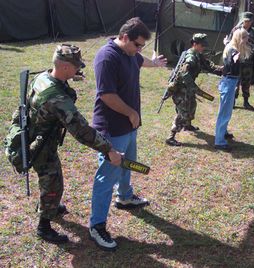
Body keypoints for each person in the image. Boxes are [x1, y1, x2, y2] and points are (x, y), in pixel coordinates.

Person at [11, 44, 122, 244]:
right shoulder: (57, 98)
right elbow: (82, 131)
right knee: (53, 182)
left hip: (35, 135)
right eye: (75, 66)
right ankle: (44, 226)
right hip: (41, 146)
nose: (79, 69)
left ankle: (50, 205)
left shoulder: (43, 77)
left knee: (50, 179)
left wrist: (70, 79)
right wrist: (108, 149)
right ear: (63, 67)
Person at [90, 17, 167, 250]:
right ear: (123, 37)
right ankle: (97, 225)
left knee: (128, 163)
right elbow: (106, 95)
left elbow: (139, 60)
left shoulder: (131, 54)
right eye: (137, 44)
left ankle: (124, 196)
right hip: (112, 127)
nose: (139, 50)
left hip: (129, 125)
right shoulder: (107, 57)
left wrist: (153, 63)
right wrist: (131, 112)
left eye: (142, 46)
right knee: (107, 174)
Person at [165, 33, 222, 146]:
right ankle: (171, 137)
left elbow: (207, 65)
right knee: (183, 112)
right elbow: (184, 73)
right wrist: (193, 87)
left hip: (188, 88)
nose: (203, 47)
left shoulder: (197, 54)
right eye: (202, 45)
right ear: (195, 44)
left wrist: (220, 69)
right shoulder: (191, 57)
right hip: (181, 89)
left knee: (192, 106)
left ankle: (187, 125)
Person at [215, 28, 251, 151]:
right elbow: (233, 56)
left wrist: (226, 42)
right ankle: (219, 141)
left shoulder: (230, 45)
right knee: (224, 113)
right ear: (240, 38)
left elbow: (227, 44)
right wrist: (235, 57)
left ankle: (223, 132)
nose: (247, 40)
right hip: (228, 82)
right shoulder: (233, 50)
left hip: (229, 81)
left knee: (226, 110)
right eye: (245, 38)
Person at [225, 11, 254, 109]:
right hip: (236, 61)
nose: (247, 23)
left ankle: (246, 101)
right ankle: (232, 101)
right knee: (235, 81)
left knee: (246, 82)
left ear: (252, 21)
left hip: (248, 62)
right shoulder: (236, 30)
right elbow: (229, 42)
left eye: (249, 21)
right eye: (246, 20)